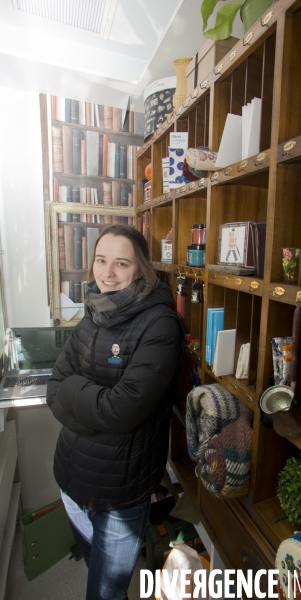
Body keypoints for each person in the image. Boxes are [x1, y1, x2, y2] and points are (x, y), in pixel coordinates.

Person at [47, 224, 184, 600]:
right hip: (70, 478)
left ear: (140, 268)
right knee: (99, 571)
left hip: (119, 495)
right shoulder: (95, 311)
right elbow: (54, 387)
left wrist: (77, 394)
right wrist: (96, 405)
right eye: (101, 260)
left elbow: (121, 411)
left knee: (104, 593)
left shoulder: (160, 325)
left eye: (121, 263)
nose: (107, 274)